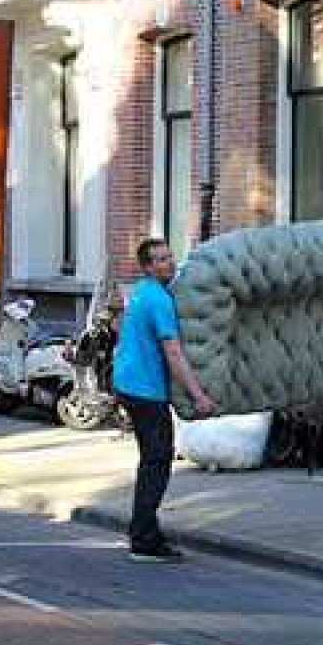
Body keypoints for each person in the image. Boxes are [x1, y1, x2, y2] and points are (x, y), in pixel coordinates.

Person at [112, 238, 217, 562]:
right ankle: (144, 539)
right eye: (159, 260)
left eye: (170, 257)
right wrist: (198, 396)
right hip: (144, 390)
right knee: (157, 461)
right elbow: (173, 351)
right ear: (146, 267)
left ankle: (144, 530)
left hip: (129, 382)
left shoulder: (143, 292)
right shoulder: (159, 300)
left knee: (153, 460)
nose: (168, 264)